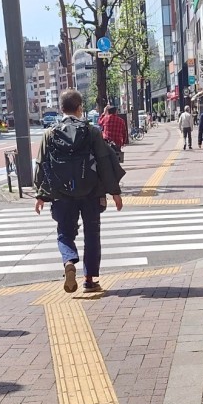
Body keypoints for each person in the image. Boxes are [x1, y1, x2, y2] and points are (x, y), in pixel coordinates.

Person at [35, 89, 121, 293]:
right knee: (92, 234)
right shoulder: (91, 132)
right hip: (91, 192)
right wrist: (114, 191)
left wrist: (40, 195)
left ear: (61, 108)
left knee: (65, 232)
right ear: (80, 108)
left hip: (62, 194)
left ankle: (68, 261)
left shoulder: (50, 133)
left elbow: (41, 164)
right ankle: (89, 280)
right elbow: (104, 162)